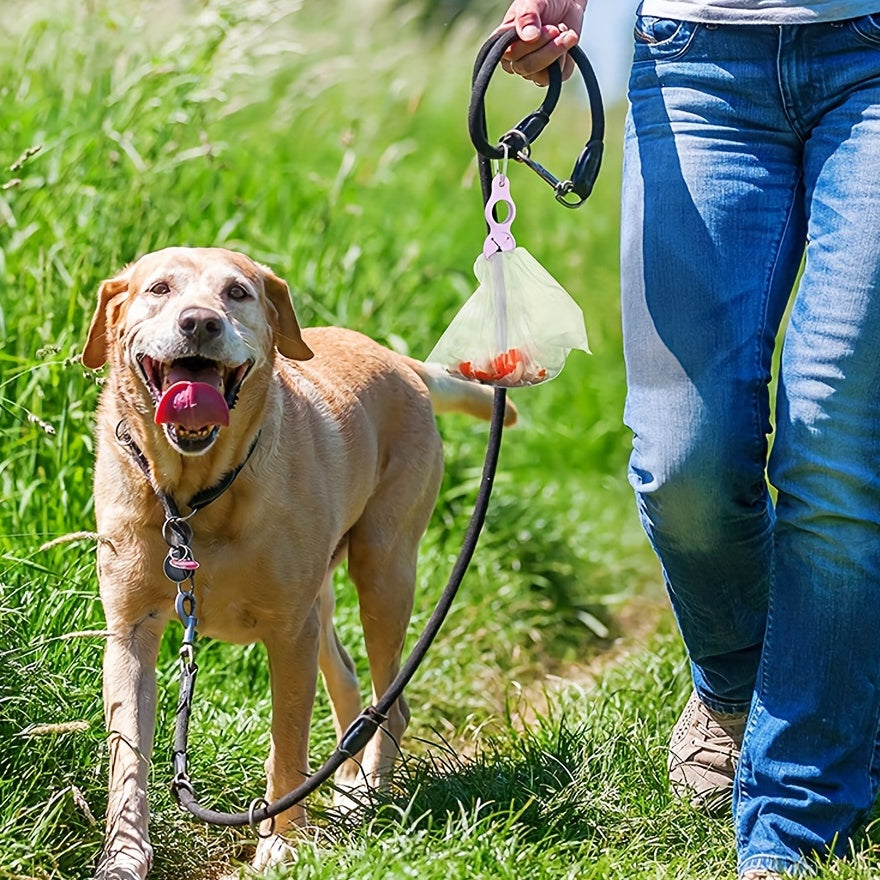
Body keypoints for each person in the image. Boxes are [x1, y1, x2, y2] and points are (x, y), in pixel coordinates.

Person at [497, 1, 880, 878]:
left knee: (836, 445)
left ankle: (794, 817)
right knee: (682, 461)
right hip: (693, 59)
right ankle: (746, 685)